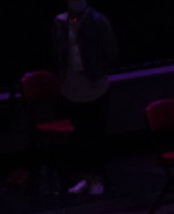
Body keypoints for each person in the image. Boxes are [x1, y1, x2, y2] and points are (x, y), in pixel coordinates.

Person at [52, 0, 117, 195]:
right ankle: (86, 177)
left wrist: (98, 71)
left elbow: (110, 50)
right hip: (72, 87)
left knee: (96, 134)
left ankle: (98, 177)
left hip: (95, 86)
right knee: (80, 137)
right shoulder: (60, 22)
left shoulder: (97, 20)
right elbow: (58, 50)